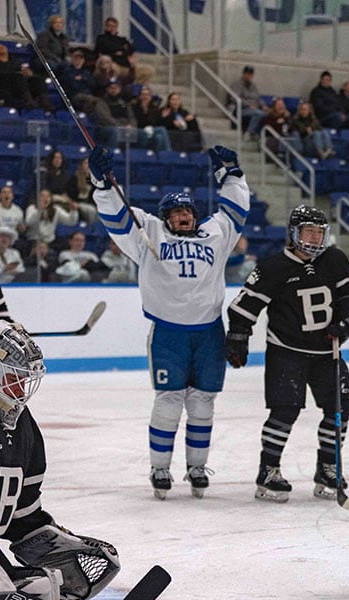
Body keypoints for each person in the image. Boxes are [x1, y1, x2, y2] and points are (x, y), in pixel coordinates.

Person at [88, 143, 249, 499]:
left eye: (187, 211)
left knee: (203, 402)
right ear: (165, 218)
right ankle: (160, 468)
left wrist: (231, 175)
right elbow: (116, 216)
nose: (182, 216)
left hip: (209, 332)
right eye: (175, 212)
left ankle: (196, 466)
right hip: (168, 335)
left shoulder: (216, 234)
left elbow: (237, 209)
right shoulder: (147, 234)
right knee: (169, 400)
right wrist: (101, 183)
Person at [0, 321, 123, 600]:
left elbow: (21, 514)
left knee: (38, 589)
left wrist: (53, 545)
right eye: (14, 377)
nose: (22, 388)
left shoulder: (21, 426)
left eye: (26, 379)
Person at [225, 206, 349, 502]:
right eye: (308, 231)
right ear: (293, 233)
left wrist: (347, 318)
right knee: (285, 411)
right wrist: (238, 336)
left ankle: (328, 466)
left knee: (342, 405)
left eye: (319, 231)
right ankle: (268, 470)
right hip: (287, 352)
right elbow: (244, 305)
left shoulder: (334, 259)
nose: (314, 238)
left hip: (327, 351)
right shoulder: (274, 267)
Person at [94, 16, 153, 84]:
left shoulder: (122, 39)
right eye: (110, 26)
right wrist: (120, 49)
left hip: (126, 66)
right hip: (113, 64)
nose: (112, 28)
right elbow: (102, 50)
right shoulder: (101, 38)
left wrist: (123, 52)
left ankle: (136, 88)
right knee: (113, 69)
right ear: (106, 27)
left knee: (149, 71)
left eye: (114, 26)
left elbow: (132, 50)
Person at [228, 65, 268, 140]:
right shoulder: (237, 85)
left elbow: (258, 98)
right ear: (243, 74)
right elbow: (235, 99)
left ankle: (257, 134)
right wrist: (248, 105)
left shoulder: (253, 86)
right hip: (241, 109)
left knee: (266, 113)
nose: (248, 76)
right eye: (247, 74)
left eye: (250, 74)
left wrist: (263, 105)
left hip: (254, 109)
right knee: (259, 113)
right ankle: (249, 133)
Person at [131, 85, 172, 153]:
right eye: (143, 95)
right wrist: (143, 112)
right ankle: (169, 153)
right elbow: (136, 122)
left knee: (159, 137)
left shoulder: (154, 108)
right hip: (139, 131)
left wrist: (162, 117)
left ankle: (158, 159)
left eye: (147, 95)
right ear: (139, 96)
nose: (145, 97)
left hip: (151, 131)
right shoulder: (134, 107)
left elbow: (155, 123)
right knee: (162, 130)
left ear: (150, 97)